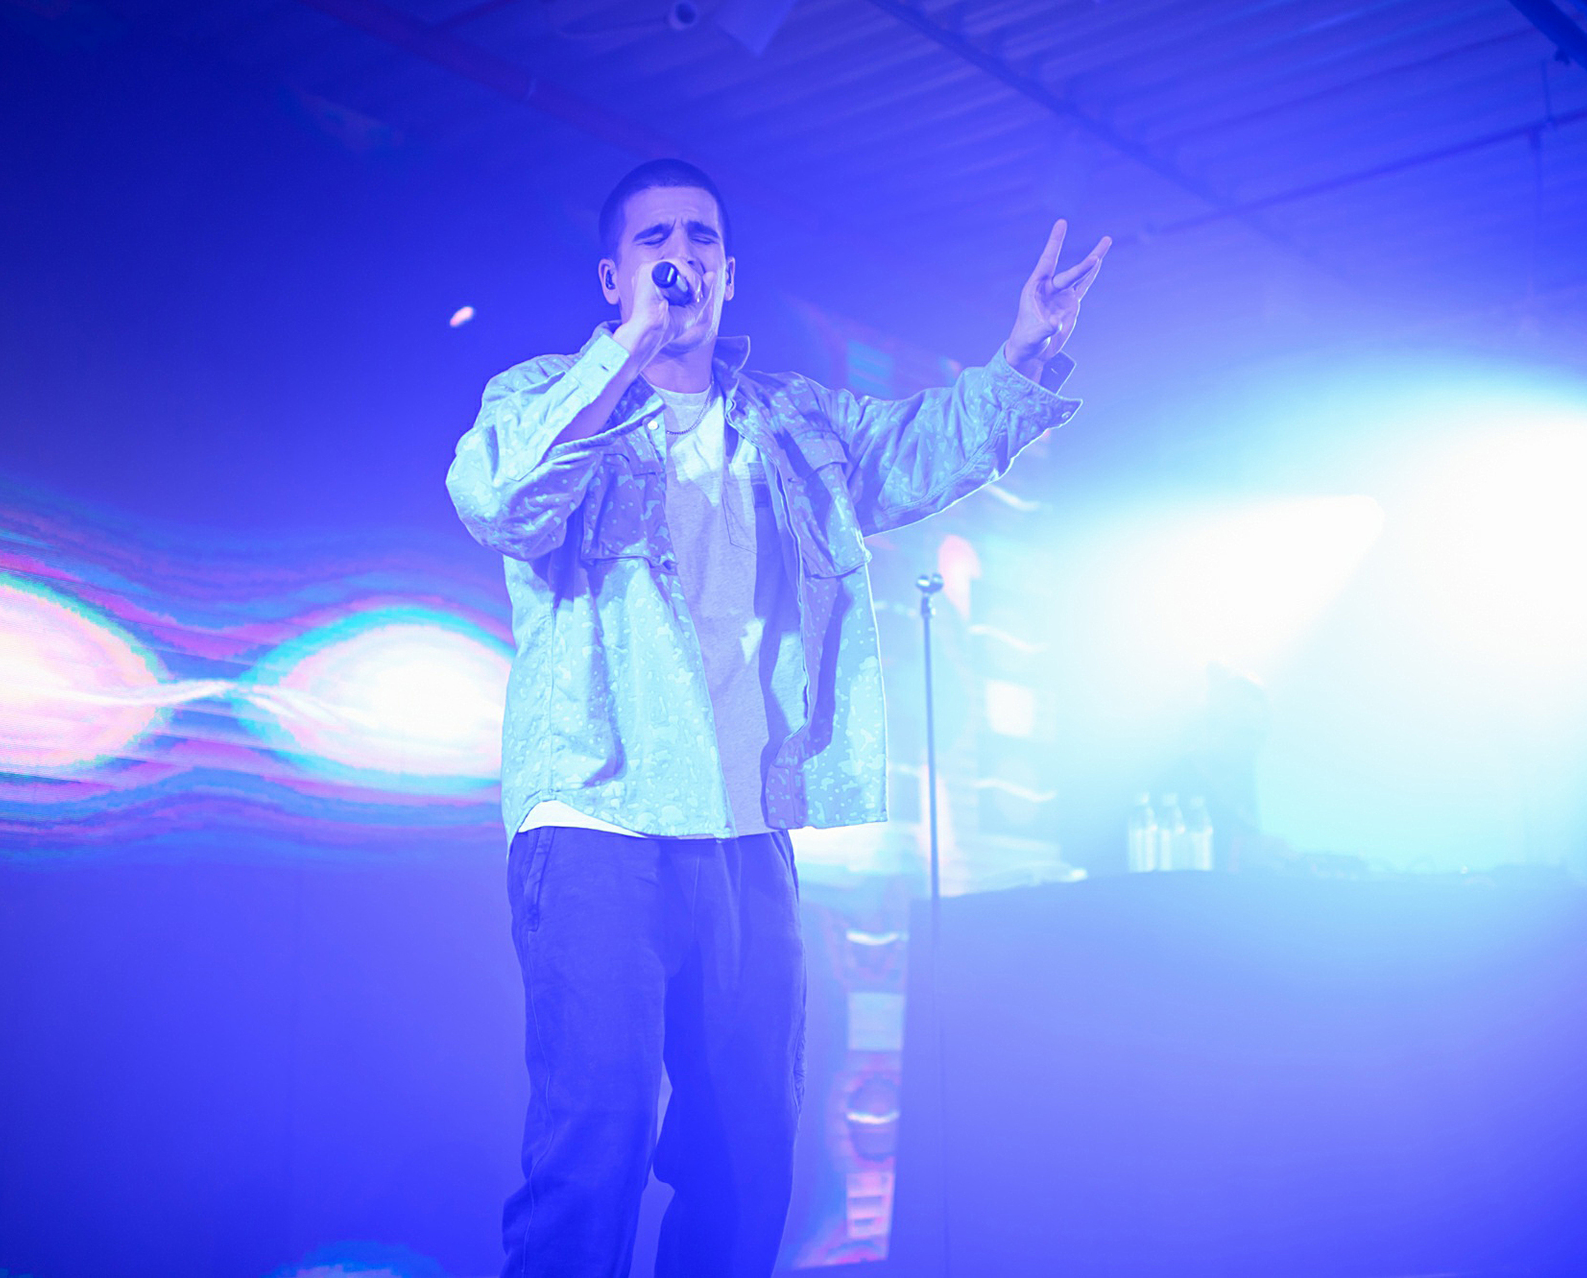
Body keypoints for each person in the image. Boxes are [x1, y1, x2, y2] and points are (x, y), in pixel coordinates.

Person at [446, 158, 1108, 1277]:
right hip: (597, 819)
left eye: (702, 239)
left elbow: (917, 449)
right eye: (657, 240)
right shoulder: (543, 396)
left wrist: (1022, 355)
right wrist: (626, 354)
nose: (682, 257)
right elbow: (500, 500)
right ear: (613, 277)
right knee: (595, 1147)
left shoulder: (792, 423)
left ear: (730, 272)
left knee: (746, 1155)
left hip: (744, 831)